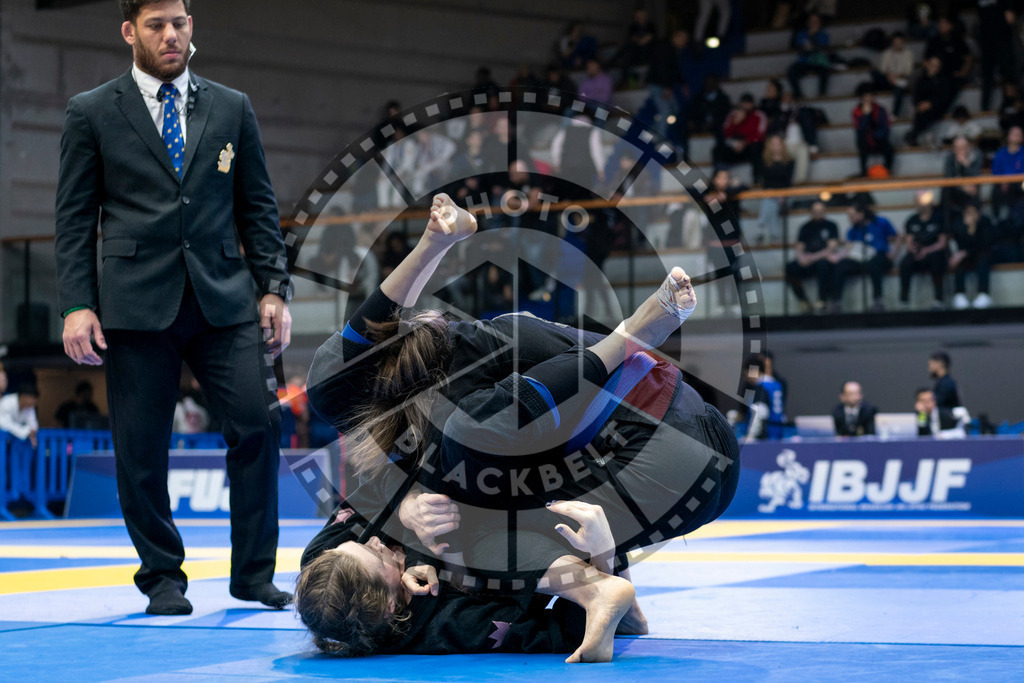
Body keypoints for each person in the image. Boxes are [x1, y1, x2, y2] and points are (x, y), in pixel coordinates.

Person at [300, 193, 739, 660]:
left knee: (431, 444)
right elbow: (561, 628)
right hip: (670, 461)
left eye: (368, 544)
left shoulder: (332, 558)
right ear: (394, 604)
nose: (377, 542)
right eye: (382, 557)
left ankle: (622, 338)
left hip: (653, 422)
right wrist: (607, 563)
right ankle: (623, 340)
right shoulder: (444, 621)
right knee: (469, 504)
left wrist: (406, 510)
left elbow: (368, 502)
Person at [54, 0, 292, 616]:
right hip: (134, 300)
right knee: (140, 445)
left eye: (180, 23)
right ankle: (162, 577)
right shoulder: (91, 111)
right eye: (156, 24)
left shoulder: (232, 106)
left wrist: (274, 287)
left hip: (223, 295)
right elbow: (75, 220)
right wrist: (78, 303)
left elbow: (258, 207)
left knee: (257, 425)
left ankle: (254, 574)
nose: (170, 35)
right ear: (130, 31)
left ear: (192, 28)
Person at [834, 202, 898, 311]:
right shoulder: (852, 230)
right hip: (860, 259)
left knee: (875, 263)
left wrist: (892, 254)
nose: (850, 219)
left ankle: (878, 299)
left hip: (880, 257)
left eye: (852, 215)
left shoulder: (881, 222)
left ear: (861, 214)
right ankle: (836, 301)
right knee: (841, 265)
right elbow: (849, 248)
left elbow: (897, 238)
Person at [785, 201, 839, 313]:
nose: (818, 213)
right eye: (815, 211)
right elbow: (799, 248)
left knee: (823, 265)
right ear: (811, 212)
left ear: (824, 212)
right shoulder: (805, 227)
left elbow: (832, 248)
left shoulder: (831, 226)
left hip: (821, 259)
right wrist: (801, 258)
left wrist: (813, 257)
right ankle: (803, 301)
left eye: (821, 211)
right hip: (808, 260)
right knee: (790, 267)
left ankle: (822, 300)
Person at [898, 192, 947, 309]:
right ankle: (904, 300)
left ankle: (938, 299)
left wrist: (927, 250)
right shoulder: (912, 220)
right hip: (917, 253)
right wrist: (913, 249)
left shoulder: (938, 218)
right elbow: (908, 240)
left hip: (933, 251)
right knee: (904, 264)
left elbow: (942, 242)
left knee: (937, 261)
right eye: (917, 201)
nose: (919, 204)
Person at [949, 201, 995, 309]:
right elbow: (959, 244)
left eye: (972, 212)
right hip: (965, 256)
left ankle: (983, 294)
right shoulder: (959, 224)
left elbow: (985, 244)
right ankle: (959, 294)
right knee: (960, 263)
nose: (970, 215)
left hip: (981, 254)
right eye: (967, 212)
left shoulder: (985, 222)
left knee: (983, 260)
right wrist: (967, 230)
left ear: (978, 213)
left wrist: (973, 228)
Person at [976, 0, 1020, 112]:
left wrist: (1011, 8)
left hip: (1002, 33)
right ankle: (985, 107)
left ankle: (1011, 103)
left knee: (1008, 72)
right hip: (986, 35)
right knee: (987, 73)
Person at [714, 94, 768, 181]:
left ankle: (757, 178)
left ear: (753, 104)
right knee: (717, 150)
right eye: (744, 103)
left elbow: (761, 135)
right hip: (734, 146)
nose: (746, 106)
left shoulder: (759, 115)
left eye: (748, 103)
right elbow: (725, 133)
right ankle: (717, 178)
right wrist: (736, 122)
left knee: (757, 148)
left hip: (750, 146)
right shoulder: (733, 115)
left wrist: (745, 142)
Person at [905, 56, 952, 147]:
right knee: (921, 112)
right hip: (922, 107)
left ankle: (914, 134)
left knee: (925, 113)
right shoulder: (921, 80)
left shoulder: (943, 80)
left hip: (937, 106)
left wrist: (931, 103)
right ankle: (914, 135)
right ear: (927, 65)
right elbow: (916, 96)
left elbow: (944, 97)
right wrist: (919, 104)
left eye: (937, 65)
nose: (935, 67)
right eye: (933, 65)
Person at [758, 135, 795, 243]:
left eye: (778, 144)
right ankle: (774, 234)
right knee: (770, 202)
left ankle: (761, 228)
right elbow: (765, 182)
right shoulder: (764, 161)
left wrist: (783, 195)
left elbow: (788, 182)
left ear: (782, 145)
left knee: (770, 202)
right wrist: (772, 193)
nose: (775, 147)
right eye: (773, 144)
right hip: (770, 194)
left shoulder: (790, 161)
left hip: (785, 195)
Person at [924, 16, 972, 98]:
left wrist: (963, 72)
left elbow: (968, 58)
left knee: (951, 86)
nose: (941, 26)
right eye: (940, 24)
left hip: (954, 76)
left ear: (950, 25)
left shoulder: (958, 40)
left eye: (944, 24)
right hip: (938, 75)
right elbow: (925, 60)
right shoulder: (934, 41)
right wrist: (932, 72)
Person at [852, 84, 894, 178]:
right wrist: (866, 115)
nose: (868, 99)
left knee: (889, 148)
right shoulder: (857, 111)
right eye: (865, 96)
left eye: (870, 96)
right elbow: (860, 129)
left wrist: (874, 136)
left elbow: (885, 127)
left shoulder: (880, 109)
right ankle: (863, 171)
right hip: (865, 140)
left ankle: (888, 169)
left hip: (879, 138)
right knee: (862, 141)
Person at [787, 13, 832, 99]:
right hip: (804, 61)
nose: (813, 23)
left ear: (819, 23)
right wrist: (812, 47)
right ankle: (798, 94)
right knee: (791, 71)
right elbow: (800, 50)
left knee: (825, 70)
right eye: (811, 21)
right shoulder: (801, 34)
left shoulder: (824, 35)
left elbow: (823, 49)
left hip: (818, 62)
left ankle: (822, 94)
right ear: (808, 23)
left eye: (816, 21)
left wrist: (812, 38)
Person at [870, 32, 913, 117]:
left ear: (903, 43)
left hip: (901, 80)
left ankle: (895, 114)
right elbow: (882, 69)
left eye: (899, 42)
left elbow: (908, 71)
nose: (897, 44)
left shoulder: (908, 54)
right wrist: (890, 76)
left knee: (899, 88)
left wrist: (896, 76)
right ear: (892, 43)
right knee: (874, 73)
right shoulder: (887, 53)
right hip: (888, 79)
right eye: (895, 42)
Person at [745, 353, 785, 441]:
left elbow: (759, 412)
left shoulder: (760, 386)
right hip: (778, 434)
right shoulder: (776, 385)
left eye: (747, 373)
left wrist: (751, 436)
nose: (747, 377)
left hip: (765, 436)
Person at [942, 135, 982, 214]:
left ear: (969, 147)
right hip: (956, 188)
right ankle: (947, 224)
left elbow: (975, 175)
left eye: (963, 147)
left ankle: (972, 222)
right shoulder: (950, 158)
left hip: (971, 188)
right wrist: (962, 186)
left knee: (974, 191)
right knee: (946, 192)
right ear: (953, 149)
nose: (961, 150)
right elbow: (948, 176)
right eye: (957, 148)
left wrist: (966, 164)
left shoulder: (976, 156)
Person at [991, 125, 1024, 218]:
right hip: (1003, 183)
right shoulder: (1000, 153)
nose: (1017, 136)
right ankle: (998, 219)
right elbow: (996, 172)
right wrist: (1002, 182)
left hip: (1020, 184)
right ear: (1008, 136)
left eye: (1019, 134)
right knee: (996, 190)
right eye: (1014, 134)